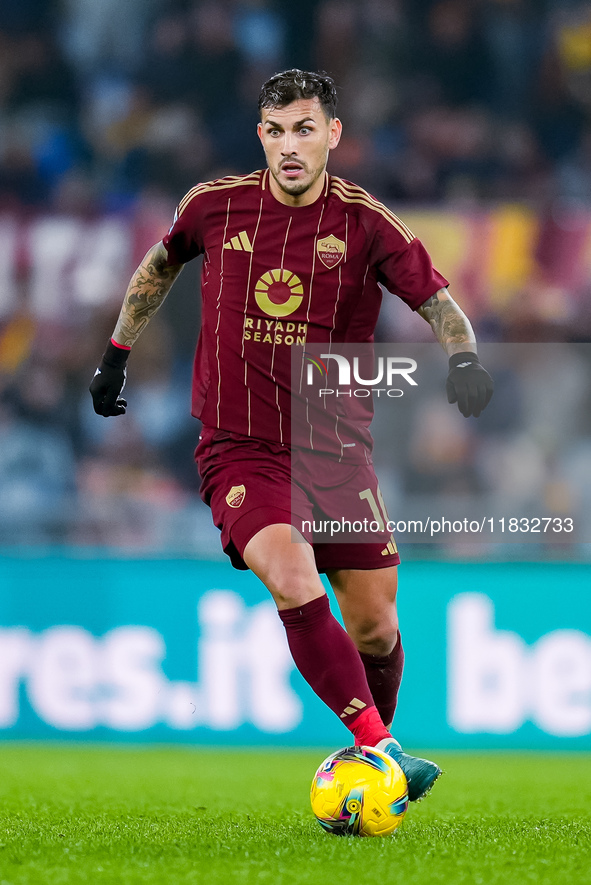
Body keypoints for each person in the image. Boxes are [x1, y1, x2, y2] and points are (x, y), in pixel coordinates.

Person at [90, 70, 493, 802]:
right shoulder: (214, 206)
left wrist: (462, 357)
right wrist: (115, 355)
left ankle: (369, 753)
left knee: (374, 625)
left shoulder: (366, 223)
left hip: (335, 452)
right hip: (241, 445)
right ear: (260, 137)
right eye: (275, 131)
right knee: (292, 576)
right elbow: (159, 263)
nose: (289, 146)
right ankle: (382, 749)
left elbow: (437, 301)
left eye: (304, 128)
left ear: (332, 134)